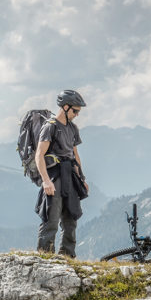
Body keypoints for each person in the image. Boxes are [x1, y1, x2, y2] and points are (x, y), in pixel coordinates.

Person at [35, 90, 89, 258]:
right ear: (65, 107)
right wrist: (46, 181)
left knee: (71, 219)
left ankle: (67, 257)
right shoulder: (50, 127)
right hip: (55, 176)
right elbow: (39, 155)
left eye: (79, 111)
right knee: (51, 219)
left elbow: (75, 155)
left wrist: (82, 179)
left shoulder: (73, 129)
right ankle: (45, 258)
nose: (77, 114)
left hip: (70, 177)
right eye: (75, 111)